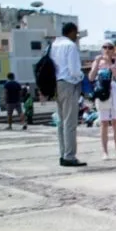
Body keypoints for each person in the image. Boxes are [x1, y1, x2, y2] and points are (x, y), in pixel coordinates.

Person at [50, 22, 86, 166]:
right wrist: (82, 78)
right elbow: (74, 70)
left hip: (56, 84)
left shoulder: (53, 45)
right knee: (70, 123)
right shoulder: (70, 46)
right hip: (68, 84)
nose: (76, 37)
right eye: (76, 34)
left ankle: (63, 153)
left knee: (61, 122)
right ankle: (69, 156)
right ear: (72, 32)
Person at [88, 41, 116, 159]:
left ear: (113, 50)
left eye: (110, 47)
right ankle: (105, 152)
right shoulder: (97, 62)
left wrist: (110, 63)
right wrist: (97, 63)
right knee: (104, 122)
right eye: (105, 47)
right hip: (102, 92)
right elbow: (91, 77)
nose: (107, 49)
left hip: (114, 91)